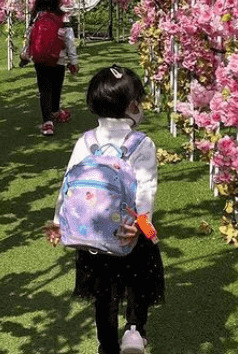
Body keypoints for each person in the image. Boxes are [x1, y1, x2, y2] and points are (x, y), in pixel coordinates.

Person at [44, 65, 164, 354]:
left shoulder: (86, 141)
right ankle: (135, 330)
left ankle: (106, 344)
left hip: (92, 233)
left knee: (104, 293)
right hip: (128, 231)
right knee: (138, 282)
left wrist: (58, 220)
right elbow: (146, 187)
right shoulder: (141, 143)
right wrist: (142, 223)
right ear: (133, 105)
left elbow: (68, 183)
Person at [20, 0, 79, 137]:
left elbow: (29, 36)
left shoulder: (37, 16)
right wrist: (73, 62)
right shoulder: (63, 18)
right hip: (58, 59)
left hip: (40, 59)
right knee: (56, 87)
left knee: (44, 89)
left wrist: (25, 53)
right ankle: (55, 111)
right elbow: (70, 41)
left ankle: (47, 122)